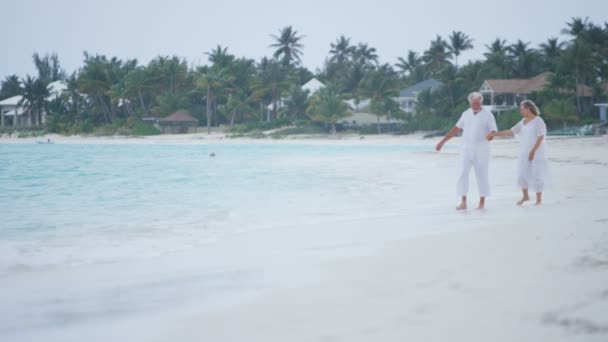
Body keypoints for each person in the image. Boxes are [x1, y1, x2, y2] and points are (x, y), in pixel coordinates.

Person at [436, 92, 497, 210]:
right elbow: (456, 129)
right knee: (463, 173)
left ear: (481, 102)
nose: (475, 105)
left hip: (482, 149)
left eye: (477, 103)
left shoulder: (488, 115)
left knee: (481, 175)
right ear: (470, 103)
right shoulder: (465, 114)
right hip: (466, 149)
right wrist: (442, 142)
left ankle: (482, 202)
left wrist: (491, 135)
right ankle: (463, 201)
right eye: (473, 103)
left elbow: (493, 130)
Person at [486, 100, 551, 205]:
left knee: (537, 174)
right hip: (524, 152)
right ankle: (525, 196)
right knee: (521, 175)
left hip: (537, 152)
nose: (521, 111)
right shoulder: (523, 122)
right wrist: (494, 134)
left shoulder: (538, 121)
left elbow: (541, 136)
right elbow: (510, 132)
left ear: (528, 109)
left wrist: (533, 151)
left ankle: (539, 200)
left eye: (522, 109)